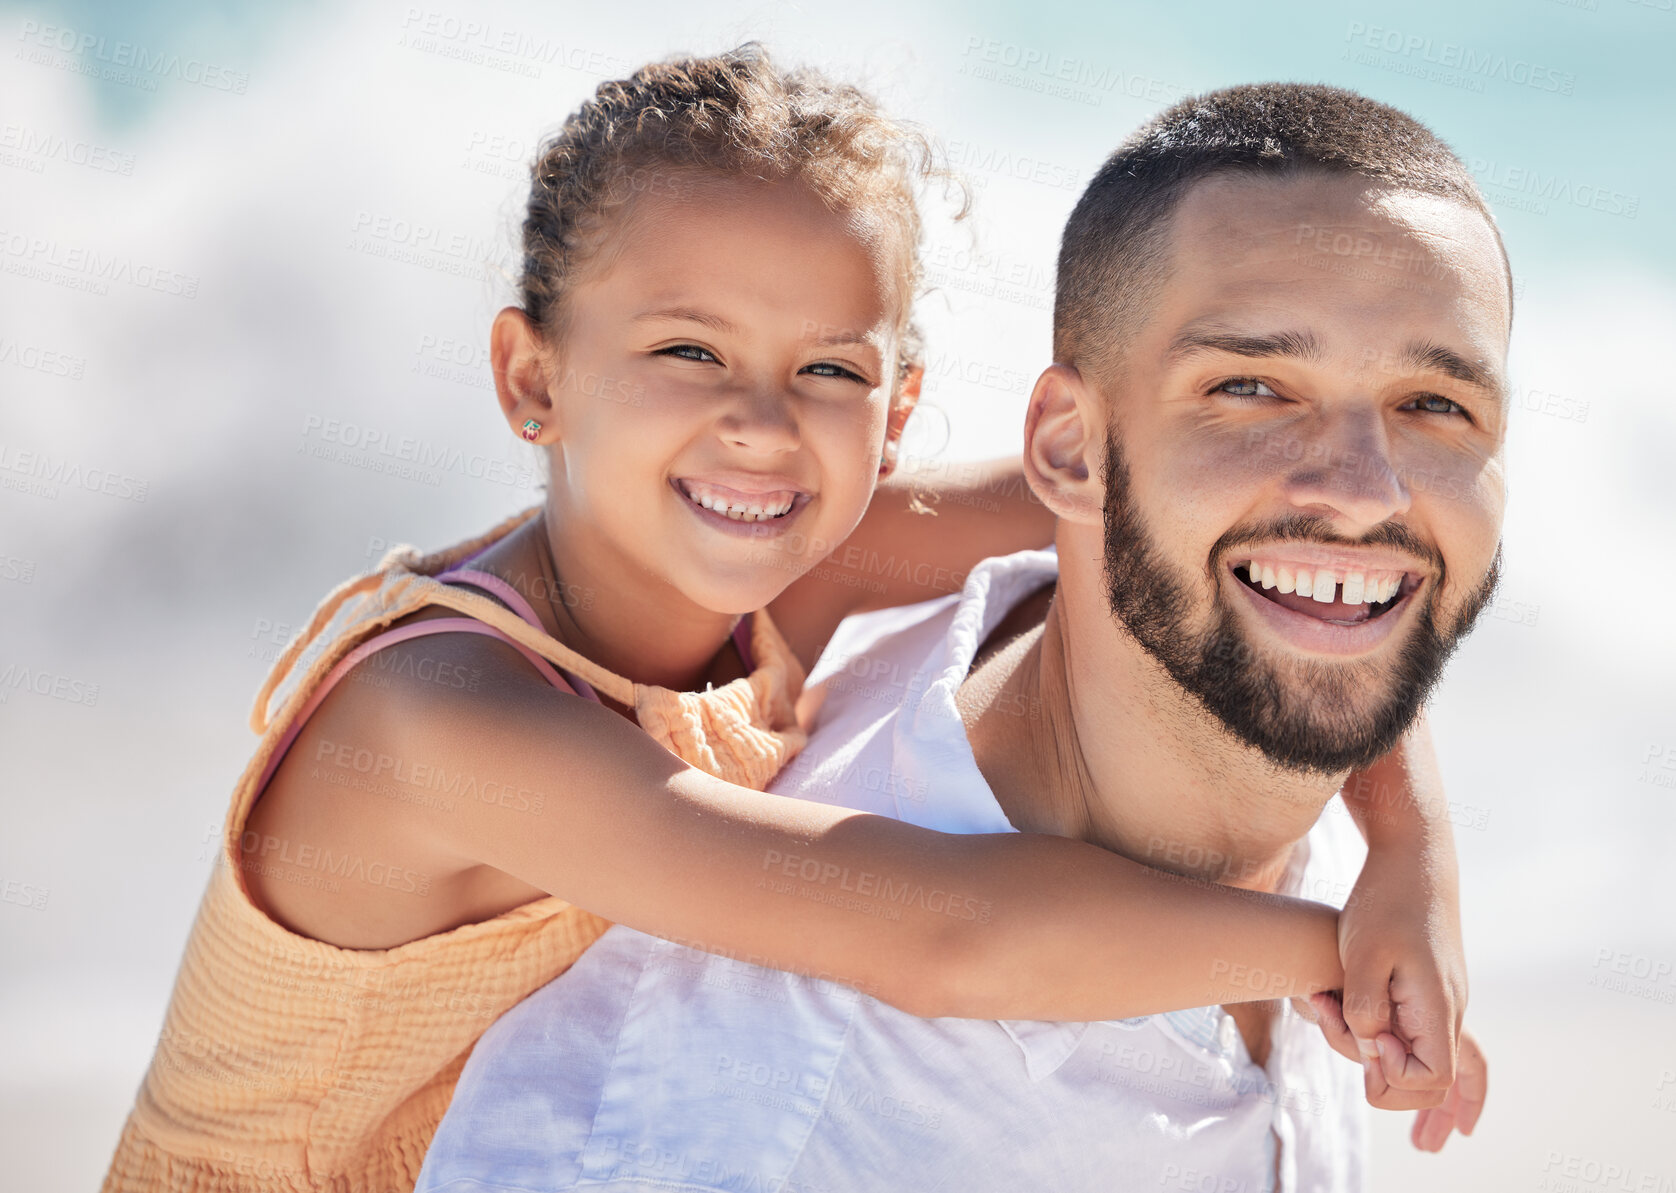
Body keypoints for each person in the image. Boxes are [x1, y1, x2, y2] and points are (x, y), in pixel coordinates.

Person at [102, 54, 1470, 1193]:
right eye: (686, 350)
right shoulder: (450, 714)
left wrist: (1413, 847)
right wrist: (1336, 948)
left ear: (900, 407)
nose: (760, 422)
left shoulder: (777, 553)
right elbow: (945, 936)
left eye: (827, 369)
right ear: (535, 377)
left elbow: (1254, 544)